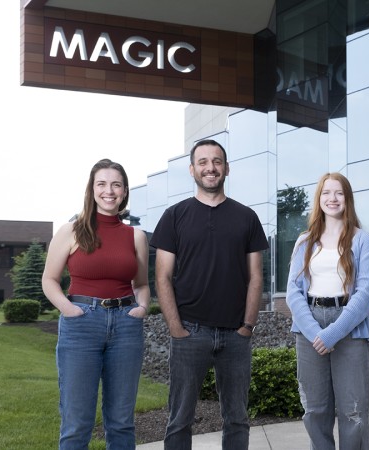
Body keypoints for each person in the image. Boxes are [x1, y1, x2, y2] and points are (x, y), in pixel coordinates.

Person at [150, 139, 269, 449]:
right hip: (190, 331)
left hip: (235, 335)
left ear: (226, 168)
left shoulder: (247, 217)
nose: (210, 167)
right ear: (192, 170)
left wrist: (247, 326)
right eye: (202, 162)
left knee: (237, 419)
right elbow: (162, 276)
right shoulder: (174, 216)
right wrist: (176, 328)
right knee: (180, 419)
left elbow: (256, 277)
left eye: (216, 161)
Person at [42, 158, 151, 449]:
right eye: (101, 184)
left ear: (125, 191)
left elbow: (141, 284)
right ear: (91, 190)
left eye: (116, 184)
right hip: (81, 325)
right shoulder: (72, 230)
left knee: (121, 422)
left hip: (126, 326)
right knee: (77, 423)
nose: (109, 191)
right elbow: (49, 280)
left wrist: (141, 307)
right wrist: (69, 309)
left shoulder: (136, 236)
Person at [286, 172, 369, 450]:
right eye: (326, 193)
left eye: (338, 193)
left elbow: (365, 293)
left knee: (353, 411)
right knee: (315, 410)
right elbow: (293, 292)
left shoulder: (362, 240)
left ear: (347, 199)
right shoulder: (304, 241)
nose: (332, 198)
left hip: (349, 326)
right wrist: (316, 333)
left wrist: (334, 333)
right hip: (309, 327)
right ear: (319, 199)